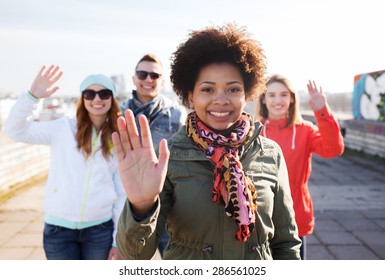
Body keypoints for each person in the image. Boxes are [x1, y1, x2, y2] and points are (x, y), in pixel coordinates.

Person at [113, 23, 301, 260]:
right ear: (190, 96)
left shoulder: (270, 153)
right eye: (207, 90)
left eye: (233, 89)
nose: (220, 100)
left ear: (247, 94)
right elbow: (136, 254)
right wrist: (141, 206)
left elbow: (286, 244)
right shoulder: (170, 155)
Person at [5, 65, 126, 260]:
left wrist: (117, 240)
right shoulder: (62, 128)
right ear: (82, 98)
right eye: (89, 94)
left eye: (104, 93)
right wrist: (32, 97)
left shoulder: (118, 137)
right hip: (58, 231)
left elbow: (122, 192)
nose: (97, 99)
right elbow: (14, 131)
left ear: (112, 99)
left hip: (100, 230)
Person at [257, 74, 345, 259]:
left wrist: (322, 111)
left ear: (291, 99)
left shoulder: (305, 129)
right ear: (263, 99)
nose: (278, 100)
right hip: (260, 216)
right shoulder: (254, 131)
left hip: (295, 214)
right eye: (271, 95)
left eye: (283, 95)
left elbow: (334, 149)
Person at [120, 53, 186, 256]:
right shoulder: (118, 114)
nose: (148, 79)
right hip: (130, 204)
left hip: (169, 205)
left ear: (162, 81)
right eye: (142, 74)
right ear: (134, 79)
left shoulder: (177, 114)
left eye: (155, 75)